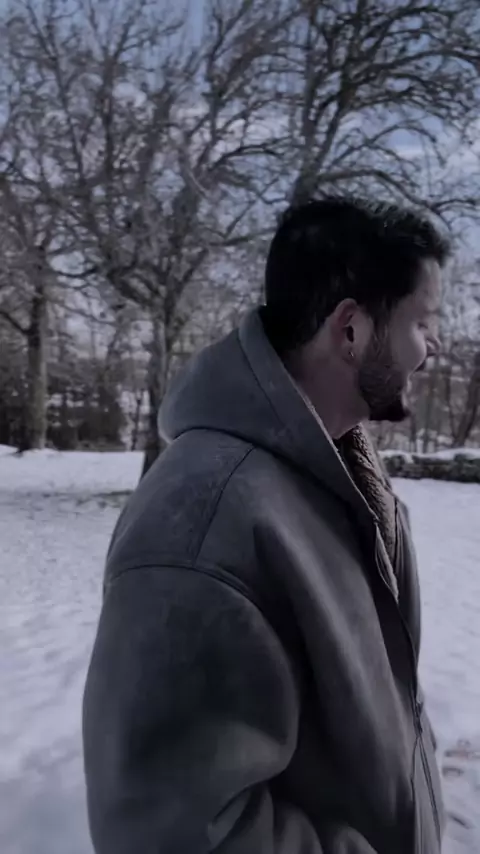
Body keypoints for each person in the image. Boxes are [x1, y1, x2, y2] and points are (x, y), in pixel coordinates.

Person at [83, 196, 450, 854]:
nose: (434, 347)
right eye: (422, 323)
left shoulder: (339, 478)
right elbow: (177, 834)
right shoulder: (203, 526)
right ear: (351, 330)